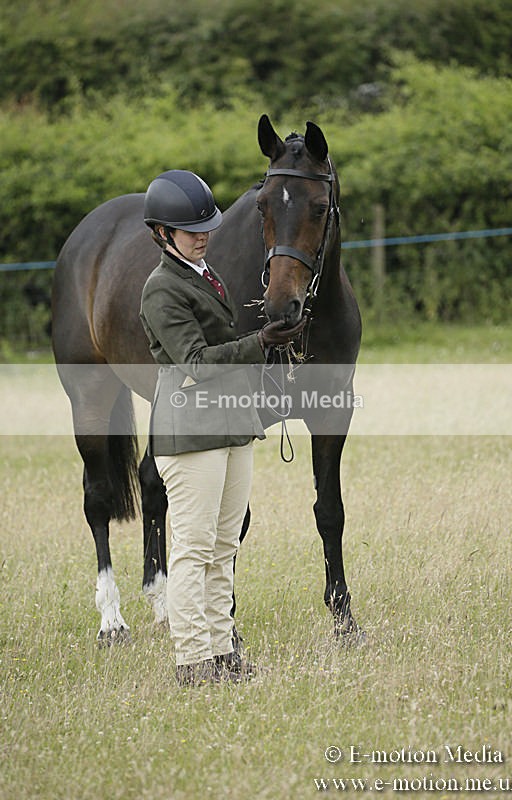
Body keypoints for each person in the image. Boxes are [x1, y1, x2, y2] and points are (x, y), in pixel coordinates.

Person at [139, 170, 304, 686]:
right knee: (192, 549)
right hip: (190, 433)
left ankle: (222, 651)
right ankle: (192, 661)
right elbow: (195, 361)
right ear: (162, 233)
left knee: (223, 548)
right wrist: (262, 342)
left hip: (231, 425)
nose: (201, 234)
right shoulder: (162, 288)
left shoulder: (204, 274)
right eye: (188, 229)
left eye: (205, 225)